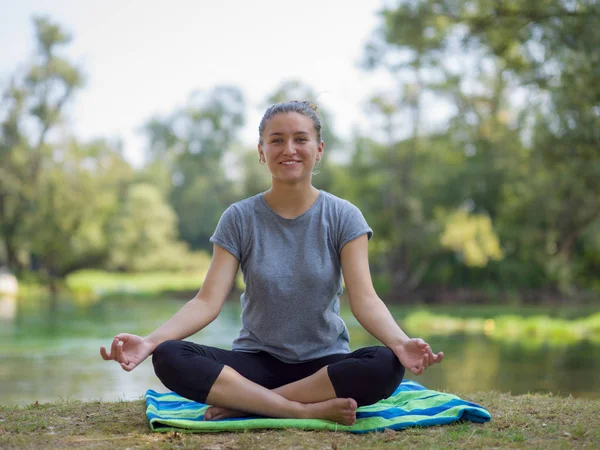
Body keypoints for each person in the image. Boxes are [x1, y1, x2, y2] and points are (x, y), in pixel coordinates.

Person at [100, 100, 443, 426]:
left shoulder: (343, 216)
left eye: (300, 139)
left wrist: (400, 343)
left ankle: (248, 405)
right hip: (255, 362)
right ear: (261, 152)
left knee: (385, 364)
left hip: (323, 367)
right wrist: (149, 342)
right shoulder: (239, 218)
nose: (289, 149)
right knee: (170, 356)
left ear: (319, 149)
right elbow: (206, 302)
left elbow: (365, 299)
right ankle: (298, 411)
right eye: (276, 140)